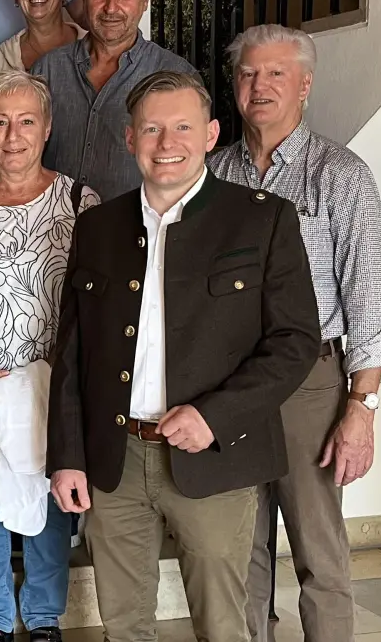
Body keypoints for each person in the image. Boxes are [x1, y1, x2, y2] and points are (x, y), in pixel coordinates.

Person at [46, 70, 321, 642]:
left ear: (211, 134)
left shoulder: (263, 218)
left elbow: (295, 343)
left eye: (181, 128)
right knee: (124, 624)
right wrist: (67, 455)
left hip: (215, 458)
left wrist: (214, 416)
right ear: (129, 139)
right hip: (114, 461)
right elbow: (73, 355)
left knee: (223, 625)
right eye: (150, 129)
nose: (165, 143)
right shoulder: (97, 227)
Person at [207, 25, 381, 642]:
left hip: (310, 382)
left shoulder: (342, 176)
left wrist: (361, 409)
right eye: (247, 75)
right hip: (228, 380)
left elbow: (370, 303)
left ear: (305, 86)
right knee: (242, 545)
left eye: (276, 75)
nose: (258, 87)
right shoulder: (214, 174)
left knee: (319, 550)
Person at [0, 71, 99, 642]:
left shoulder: (82, 202)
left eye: (26, 121)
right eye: (0, 121)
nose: (13, 136)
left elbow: (96, 306)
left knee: (51, 498)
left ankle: (41, 616)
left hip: (50, 389)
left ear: (48, 127)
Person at [31, 0, 197, 201]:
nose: (110, 7)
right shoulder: (47, 70)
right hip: (49, 233)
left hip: (133, 236)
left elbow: (190, 179)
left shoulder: (177, 77)